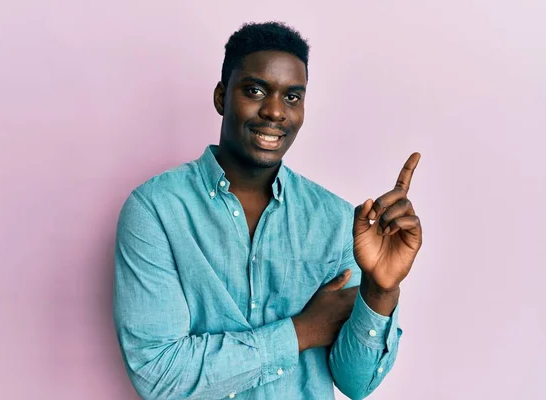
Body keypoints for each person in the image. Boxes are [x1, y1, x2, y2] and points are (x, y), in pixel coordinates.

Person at [113, 21, 422, 400]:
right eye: (256, 90)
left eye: (292, 97)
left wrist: (380, 290)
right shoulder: (156, 210)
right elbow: (159, 375)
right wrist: (303, 330)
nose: (275, 112)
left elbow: (357, 384)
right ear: (221, 96)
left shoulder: (339, 221)